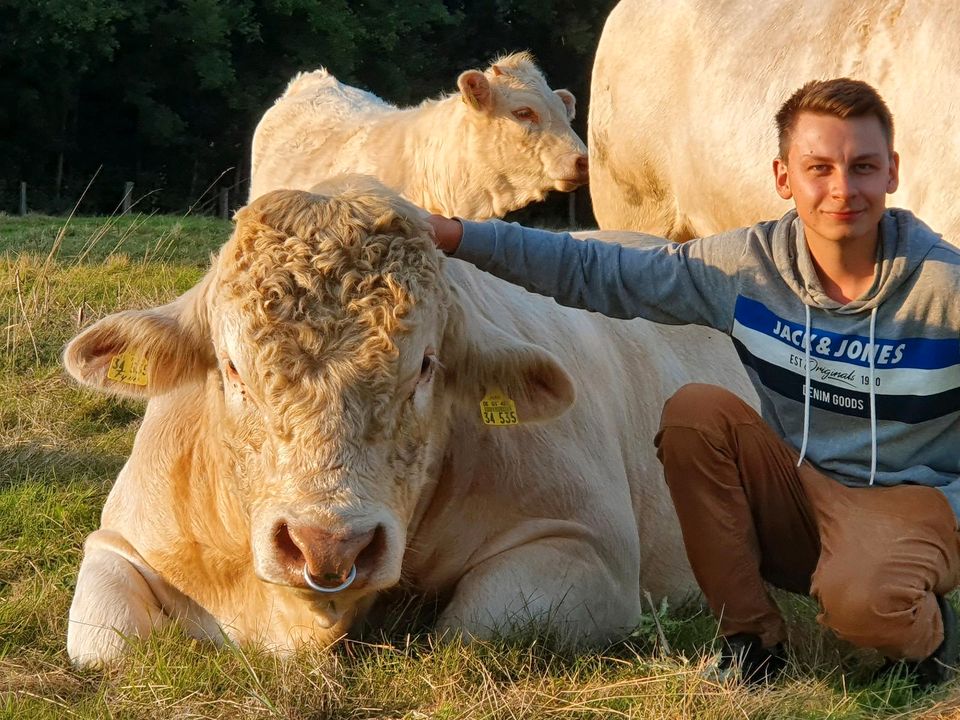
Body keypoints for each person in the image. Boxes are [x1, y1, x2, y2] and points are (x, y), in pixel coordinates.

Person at [426, 78, 960, 686]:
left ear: (891, 171)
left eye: (862, 167)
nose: (842, 189)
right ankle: (751, 641)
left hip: (906, 503)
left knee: (865, 609)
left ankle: (923, 627)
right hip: (800, 485)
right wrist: (457, 235)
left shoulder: (945, 291)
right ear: (784, 178)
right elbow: (596, 269)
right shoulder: (749, 268)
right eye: (820, 168)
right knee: (695, 412)